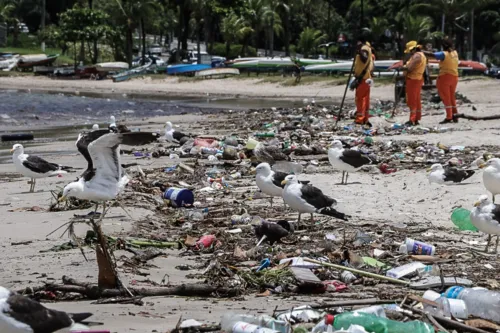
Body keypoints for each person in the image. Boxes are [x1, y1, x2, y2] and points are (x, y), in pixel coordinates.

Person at [425, 38, 459, 124]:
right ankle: (455, 115)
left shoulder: (444, 54)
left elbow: (432, 55)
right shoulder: (455, 53)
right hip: (454, 77)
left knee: (445, 98)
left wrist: (421, 52)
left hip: (444, 77)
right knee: (451, 97)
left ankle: (449, 116)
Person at [351, 37, 374, 127]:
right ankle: (365, 119)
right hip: (365, 77)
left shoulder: (364, 49)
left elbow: (364, 59)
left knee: (360, 99)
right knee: (365, 99)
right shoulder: (367, 48)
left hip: (363, 78)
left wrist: (359, 50)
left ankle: (360, 119)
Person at [403, 41, 427, 126]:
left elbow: (409, 68)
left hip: (413, 79)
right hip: (418, 79)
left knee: (412, 100)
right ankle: (416, 118)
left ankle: (412, 119)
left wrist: (404, 65)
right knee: (416, 99)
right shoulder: (422, 55)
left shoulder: (417, 56)